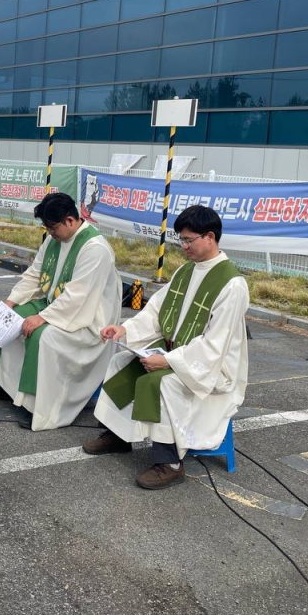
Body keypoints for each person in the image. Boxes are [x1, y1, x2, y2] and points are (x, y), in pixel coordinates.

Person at [83, 204, 249, 490]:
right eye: (181, 240)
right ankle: (119, 435)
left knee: (163, 384)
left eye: (188, 240)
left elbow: (215, 344)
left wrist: (170, 361)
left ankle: (170, 463)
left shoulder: (232, 284)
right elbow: (157, 311)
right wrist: (125, 329)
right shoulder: (187, 271)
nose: (183, 246)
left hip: (209, 368)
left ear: (209, 236)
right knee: (120, 363)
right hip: (176, 352)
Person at [0, 192, 121, 431]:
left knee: (43, 336)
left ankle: (39, 406)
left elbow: (78, 296)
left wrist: (42, 318)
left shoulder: (96, 249)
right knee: (9, 319)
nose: (50, 233)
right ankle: (2, 383)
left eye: (53, 227)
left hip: (87, 319)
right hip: (55, 305)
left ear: (70, 221)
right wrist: (11, 302)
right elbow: (34, 274)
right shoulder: (54, 239)